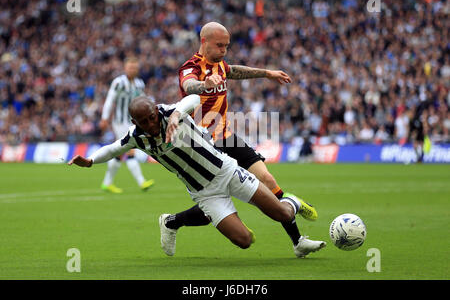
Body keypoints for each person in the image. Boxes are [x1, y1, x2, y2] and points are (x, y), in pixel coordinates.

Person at [68, 95, 326, 257]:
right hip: (204, 192)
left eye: (151, 117)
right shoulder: (136, 137)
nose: (150, 124)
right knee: (244, 241)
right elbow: (113, 148)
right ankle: (169, 222)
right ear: (135, 122)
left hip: (227, 171)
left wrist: (177, 115)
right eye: (143, 122)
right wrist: (90, 161)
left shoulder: (170, 113)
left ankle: (295, 203)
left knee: (282, 214)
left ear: (156, 111)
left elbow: (192, 98)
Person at [159, 22, 319, 258]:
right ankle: (172, 222)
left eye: (227, 45)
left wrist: (266, 73)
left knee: (266, 178)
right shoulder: (190, 67)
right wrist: (204, 85)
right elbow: (187, 84)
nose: (224, 50)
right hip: (203, 145)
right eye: (219, 45)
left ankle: (298, 242)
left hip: (226, 136)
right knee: (211, 207)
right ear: (204, 42)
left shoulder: (220, 64)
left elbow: (233, 70)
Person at [99, 57, 154, 193]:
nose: (132, 70)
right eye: (130, 67)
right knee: (130, 150)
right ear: (125, 68)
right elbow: (110, 99)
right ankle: (142, 182)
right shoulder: (119, 82)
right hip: (120, 122)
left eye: (135, 68)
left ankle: (107, 183)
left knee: (119, 153)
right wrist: (104, 118)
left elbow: (142, 101)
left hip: (133, 122)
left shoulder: (139, 83)